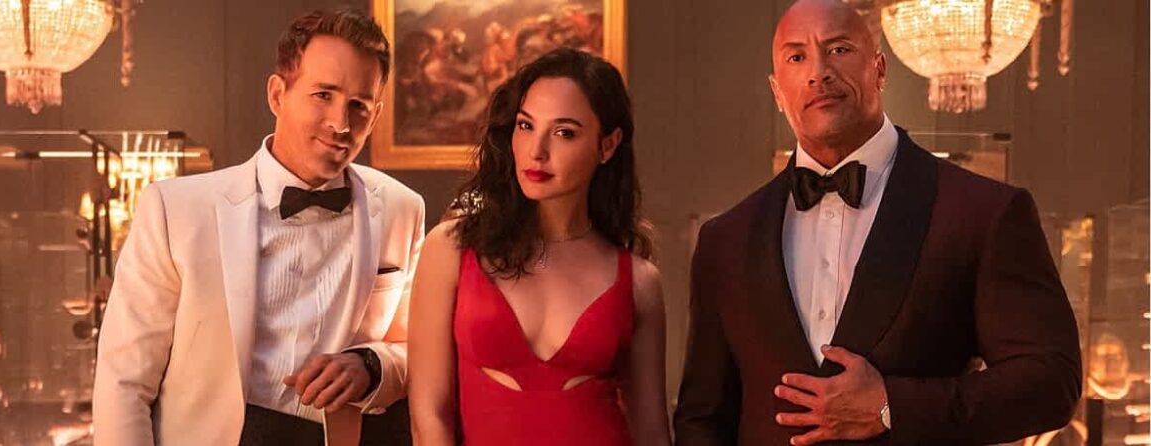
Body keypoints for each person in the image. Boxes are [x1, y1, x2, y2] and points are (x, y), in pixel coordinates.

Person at [673, 1, 1082, 444]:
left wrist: (893, 407)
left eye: (839, 49)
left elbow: (1050, 382)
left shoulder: (984, 212)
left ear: (879, 69)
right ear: (777, 91)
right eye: (797, 57)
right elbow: (701, 420)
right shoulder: (725, 240)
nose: (818, 73)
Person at [93, 9, 424, 445]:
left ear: (375, 116)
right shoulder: (175, 211)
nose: (341, 124)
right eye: (323, 95)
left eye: (358, 106)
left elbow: (415, 353)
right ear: (277, 95)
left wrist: (370, 366)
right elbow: (123, 382)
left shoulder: (403, 209)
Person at [407, 47, 670, 446]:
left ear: (607, 145)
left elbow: (651, 432)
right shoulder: (450, 249)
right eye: (526, 126)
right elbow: (429, 415)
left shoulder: (639, 280)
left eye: (564, 133)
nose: (537, 151)